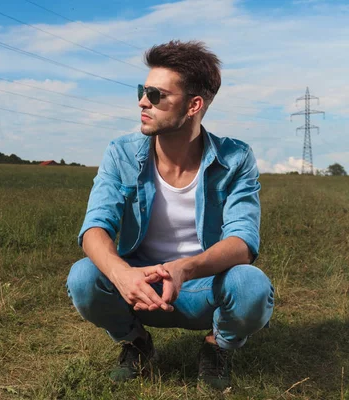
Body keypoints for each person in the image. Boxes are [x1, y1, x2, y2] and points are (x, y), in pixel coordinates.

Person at [66, 40, 274, 389]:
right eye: (142, 90)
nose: (142, 101)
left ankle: (216, 346)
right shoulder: (121, 153)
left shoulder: (235, 158)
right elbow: (95, 227)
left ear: (194, 105)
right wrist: (122, 275)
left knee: (250, 285)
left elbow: (243, 242)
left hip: (203, 285)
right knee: (83, 278)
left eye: (156, 94)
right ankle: (136, 342)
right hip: (140, 286)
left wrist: (183, 269)